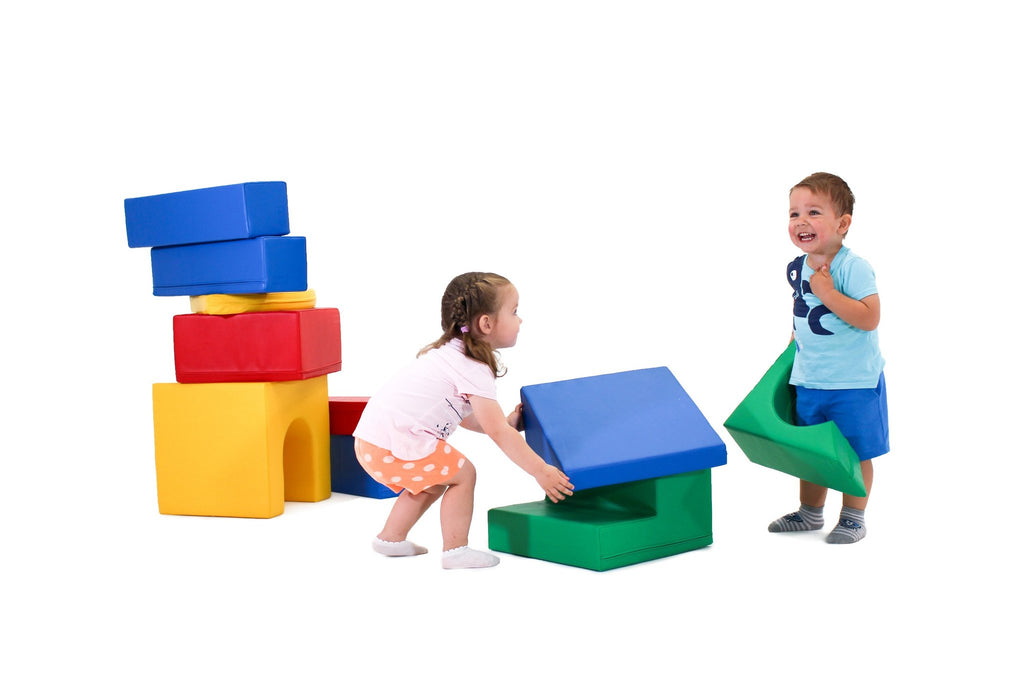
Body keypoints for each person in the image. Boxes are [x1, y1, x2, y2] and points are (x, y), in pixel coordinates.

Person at [352, 272, 574, 569]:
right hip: (393, 442)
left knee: (432, 483)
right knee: (463, 474)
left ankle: (390, 539)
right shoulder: (473, 367)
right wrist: (540, 470)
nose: (520, 320)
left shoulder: (451, 356)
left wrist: (507, 422)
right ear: (486, 324)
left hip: (372, 442)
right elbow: (497, 432)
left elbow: (467, 418)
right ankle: (455, 551)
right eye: (514, 311)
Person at [768, 172, 889, 544]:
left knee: (855, 451)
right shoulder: (796, 267)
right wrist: (791, 350)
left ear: (842, 223)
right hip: (810, 378)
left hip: (853, 382)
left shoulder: (853, 267)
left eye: (813, 212)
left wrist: (828, 293)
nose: (801, 221)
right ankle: (810, 513)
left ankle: (853, 516)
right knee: (811, 451)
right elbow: (801, 311)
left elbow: (869, 318)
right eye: (794, 214)